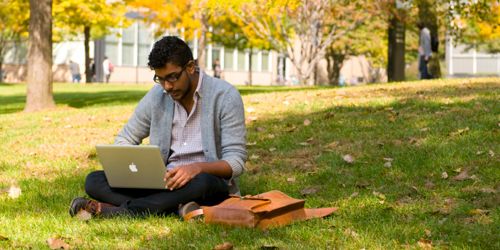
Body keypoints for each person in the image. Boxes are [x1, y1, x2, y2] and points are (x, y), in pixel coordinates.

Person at [69, 36, 247, 218]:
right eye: (160, 79)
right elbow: (126, 138)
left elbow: (236, 162)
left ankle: (117, 211)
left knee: (205, 184)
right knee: (94, 180)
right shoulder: (158, 96)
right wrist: (138, 169)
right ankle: (176, 207)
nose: (168, 86)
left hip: (203, 182)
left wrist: (196, 168)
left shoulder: (225, 96)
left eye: (172, 77)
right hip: (163, 182)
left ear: (191, 67)